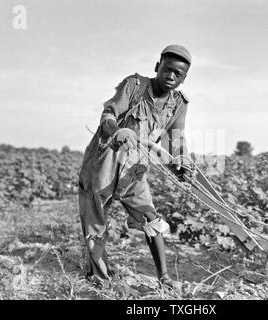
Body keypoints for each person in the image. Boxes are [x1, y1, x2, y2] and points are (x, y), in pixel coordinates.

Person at [78, 44, 192, 287]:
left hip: (136, 166)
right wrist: (117, 130)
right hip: (106, 158)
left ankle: (164, 278)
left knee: (151, 218)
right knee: (95, 218)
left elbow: (177, 141)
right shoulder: (134, 85)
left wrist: (181, 160)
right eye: (167, 69)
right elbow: (108, 115)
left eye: (178, 74)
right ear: (157, 67)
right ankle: (99, 278)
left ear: (184, 78)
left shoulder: (179, 104)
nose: (171, 76)